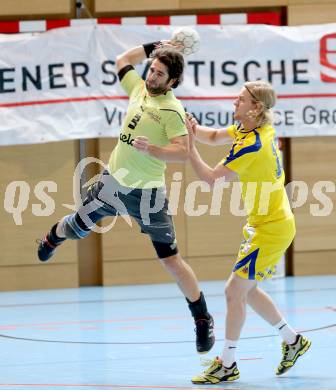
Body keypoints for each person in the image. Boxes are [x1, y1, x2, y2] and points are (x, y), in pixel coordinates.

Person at [37, 40, 215, 354]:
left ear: (172, 81)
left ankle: (201, 318)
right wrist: (153, 46)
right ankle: (53, 236)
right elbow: (122, 59)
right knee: (77, 226)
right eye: (152, 70)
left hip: (148, 194)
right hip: (113, 182)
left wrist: (154, 149)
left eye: (160, 74)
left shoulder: (172, 110)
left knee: (171, 260)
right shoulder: (138, 88)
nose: (152, 76)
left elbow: (182, 152)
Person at [187, 81, 311, 384]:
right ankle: (293, 340)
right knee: (248, 291)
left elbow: (212, 180)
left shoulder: (251, 145)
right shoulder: (251, 130)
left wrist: (188, 148)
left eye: (240, 99)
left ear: (255, 107)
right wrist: (192, 128)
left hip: (272, 228)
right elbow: (215, 136)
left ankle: (227, 363)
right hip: (264, 223)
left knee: (234, 291)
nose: (234, 102)